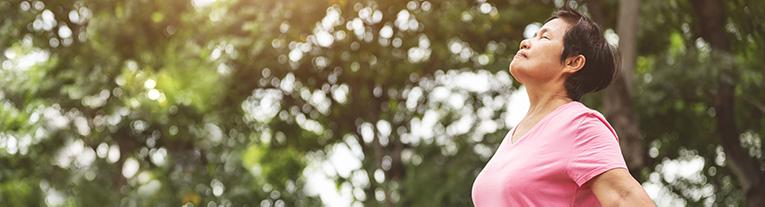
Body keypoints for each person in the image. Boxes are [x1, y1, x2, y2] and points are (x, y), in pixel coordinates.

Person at [471, 7, 655, 207]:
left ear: (573, 62)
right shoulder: (514, 135)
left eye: (544, 37)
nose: (525, 42)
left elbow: (626, 199)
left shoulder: (581, 126)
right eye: (533, 35)